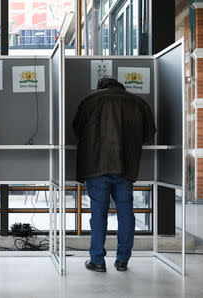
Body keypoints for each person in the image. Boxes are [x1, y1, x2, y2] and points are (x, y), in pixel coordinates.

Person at [72, 77, 156, 272]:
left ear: (100, 87)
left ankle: (97, 260)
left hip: (96, 167)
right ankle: (123, 260)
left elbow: (77, 129)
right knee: (125, 212)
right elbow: (149, 134)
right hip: (125, 167)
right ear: (120, 86)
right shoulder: (138, 102)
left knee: (98, 214)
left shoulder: (89, 101)